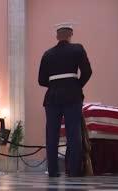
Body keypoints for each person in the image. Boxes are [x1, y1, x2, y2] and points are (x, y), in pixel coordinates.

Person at [38, 22, 92, 177]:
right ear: (70, 35)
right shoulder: (78, 49)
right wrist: (76, 85)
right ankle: (74, 170)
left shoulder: (47, 54)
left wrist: (55, 84)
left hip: (52, 97)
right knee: (73, 133)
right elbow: (87, 71)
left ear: (57, 36)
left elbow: (41, 80)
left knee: (51, 134)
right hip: (72, 95)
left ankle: (53, 171)